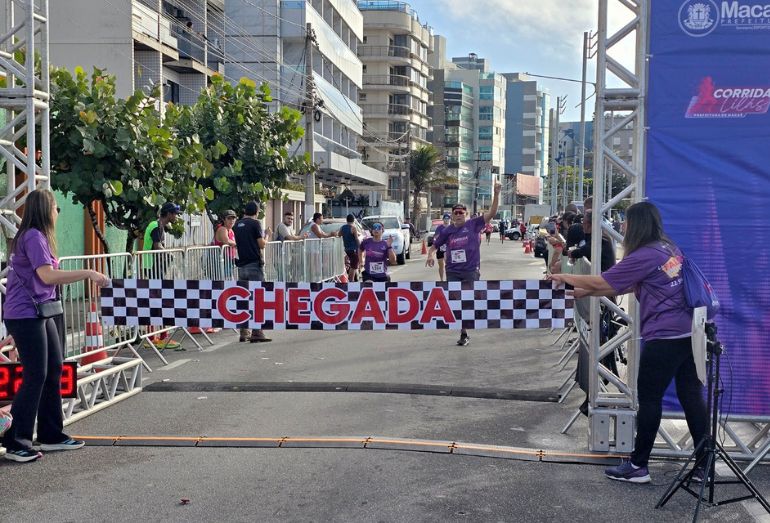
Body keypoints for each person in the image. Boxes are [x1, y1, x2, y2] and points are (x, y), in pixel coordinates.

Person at [548, 201, 707, 484]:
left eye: (626, 221)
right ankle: (704, 467)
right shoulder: (667, 249)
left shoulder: (645, 254)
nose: (622, 225)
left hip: (666, 336)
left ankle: (638, 466)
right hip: (690, 333)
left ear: (638, 225)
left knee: (648, 399)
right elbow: (620, 285)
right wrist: (583, 292)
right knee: (691, 398)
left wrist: (564, 278)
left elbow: (602, 281)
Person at [2, 190, 110, 463]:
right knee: (36, 373)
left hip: (40, 311)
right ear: (44, 209)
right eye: (55, 206)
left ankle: (51, 434)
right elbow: (47, 275)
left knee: (54, 369)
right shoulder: (33, 237)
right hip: (26, 313)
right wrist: (88, 273)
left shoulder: (34, 237)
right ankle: (16, 440)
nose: (58, 212)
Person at [427, 181, 501, 346]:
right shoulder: (447, 231)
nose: (458, 215)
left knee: (470, 300)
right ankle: (464, 332)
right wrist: (430, 255)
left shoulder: (473, 224)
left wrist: (496, 194)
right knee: (457, 301)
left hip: (470, 271)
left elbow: (493, 212)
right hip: (453, 271)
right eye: (455, 213)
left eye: (461, 212)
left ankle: (473, 320)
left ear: (466, 214)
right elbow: (434, 245)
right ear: (452, 215)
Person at [141, 202, 182, 349]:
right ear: (169, 214)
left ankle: (159, 336)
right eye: (175, 214)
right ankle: (154, 337)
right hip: (152, 267)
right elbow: (157, 247)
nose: (176, 217)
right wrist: (171, 254)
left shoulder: (159, 225)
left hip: (154, 267)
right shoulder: (155, 226)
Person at [233, 201, 272, 343]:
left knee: (244, 298)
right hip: (254, 265)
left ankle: (244, 332)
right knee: (258, 298)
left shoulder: (237, 224)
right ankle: (257, 332)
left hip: (242, 266)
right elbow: (261, 244)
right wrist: (267, 235)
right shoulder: (255, 224)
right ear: (256, 212)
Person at [339, 214, 361, 282]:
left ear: (346, 220)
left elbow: (339, 234)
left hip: (347, 249)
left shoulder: (342, 227)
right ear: (353, 220)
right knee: (354, 266)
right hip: (353, 249)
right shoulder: (353, 227)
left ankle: (352, 279)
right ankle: (351, 280)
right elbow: (356, 239)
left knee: (353, 264)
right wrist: (360, 247)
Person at [434, 213, 451, 281]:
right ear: (443, 219)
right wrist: (442, 237)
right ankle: (441, 280)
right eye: (445, 219)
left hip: (449, 248)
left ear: (450, 219)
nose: (446, 220)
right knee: (441, 265)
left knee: (448, 265)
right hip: (441, 247)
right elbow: (436, 236)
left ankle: (448, 279)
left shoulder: (452, 227)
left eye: (448, 219)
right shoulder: (439, 227)